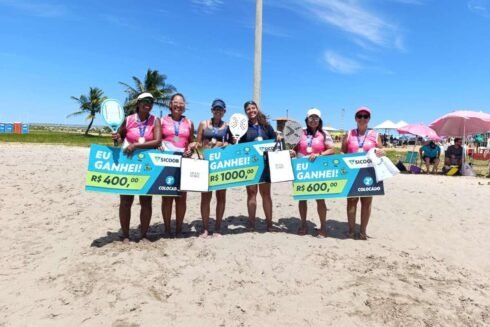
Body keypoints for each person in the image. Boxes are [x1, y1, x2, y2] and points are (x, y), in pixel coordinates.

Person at [112, 92, 162, 242]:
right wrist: (117, 138)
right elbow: (119, 140)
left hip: (147, 165)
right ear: (138, 103)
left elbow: (157, 141)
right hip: (129, 164)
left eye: (151, 102)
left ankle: (144, 234)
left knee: (146, 201)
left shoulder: (155, 120)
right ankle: (125, 234)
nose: (148, 104)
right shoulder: (128, 120)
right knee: (126, 201)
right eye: (145, 101)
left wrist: (136, 145)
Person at [289, 108, 335, 237]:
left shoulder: (324, 134)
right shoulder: (300, 133)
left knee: (320, 199)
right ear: (307, 119)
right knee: (302, 199)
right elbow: (293, 148)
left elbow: (332, 150)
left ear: (319, 120)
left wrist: (319, 154)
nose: (313, 120)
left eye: (316, 118)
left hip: (318, 170)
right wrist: (292, 152)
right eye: (311, 117)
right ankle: (303, 225)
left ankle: (323, 227)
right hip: (301, 170)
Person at [341, 106, 384, 240]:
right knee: (351, 202)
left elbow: (381, 151)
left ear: (369, 119)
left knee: (366, 202)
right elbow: (342, 152)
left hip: (369, 172)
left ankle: (363, 231)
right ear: (355, 118)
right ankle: (351, 230)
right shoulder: (349, 134)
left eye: (365, 116)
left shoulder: (375, 135)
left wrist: (381, 152)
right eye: (360, 116)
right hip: (352, 172)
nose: (362, 118)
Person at [195, 99, 233, 238]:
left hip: (222, 165)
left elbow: (233, 143)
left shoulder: (228, 126)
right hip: (206, 163)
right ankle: (205, 228)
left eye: (221, 109)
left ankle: (217, 227)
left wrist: (226, 144)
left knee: (221, 197)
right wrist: (202, 146)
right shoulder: (203, 124)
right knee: (205, 197)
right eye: (216, 109)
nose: (218, 111)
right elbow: (198, 143)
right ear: (211, 110)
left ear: (224, 111)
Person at [160, 93, 195, 237]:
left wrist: (191, 147)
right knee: (166, 197)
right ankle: (167, 229)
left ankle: (179, 228)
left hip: (183, 162)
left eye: (181, 103)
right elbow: (156, 139)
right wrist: (158, 146)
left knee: (181, 197)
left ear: (184, 106)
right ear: (170, 104)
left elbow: (192, 141)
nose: (178, 105)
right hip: (166, 162)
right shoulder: (161, 121)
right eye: (176, 102)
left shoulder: (189, 122)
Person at [239, 100, 277, 232]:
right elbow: (239, 146)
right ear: (246, 112)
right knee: (251, 194)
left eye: (253, 108)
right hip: (250, 166)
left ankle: (269, 223)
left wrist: (280, 137)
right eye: (248, 109)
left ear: (257, 109)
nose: (251, 111)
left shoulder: (266, 126)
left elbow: (275, 142)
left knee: (266, 194)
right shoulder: (243, 128)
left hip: (266, 164)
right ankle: (251, 223)